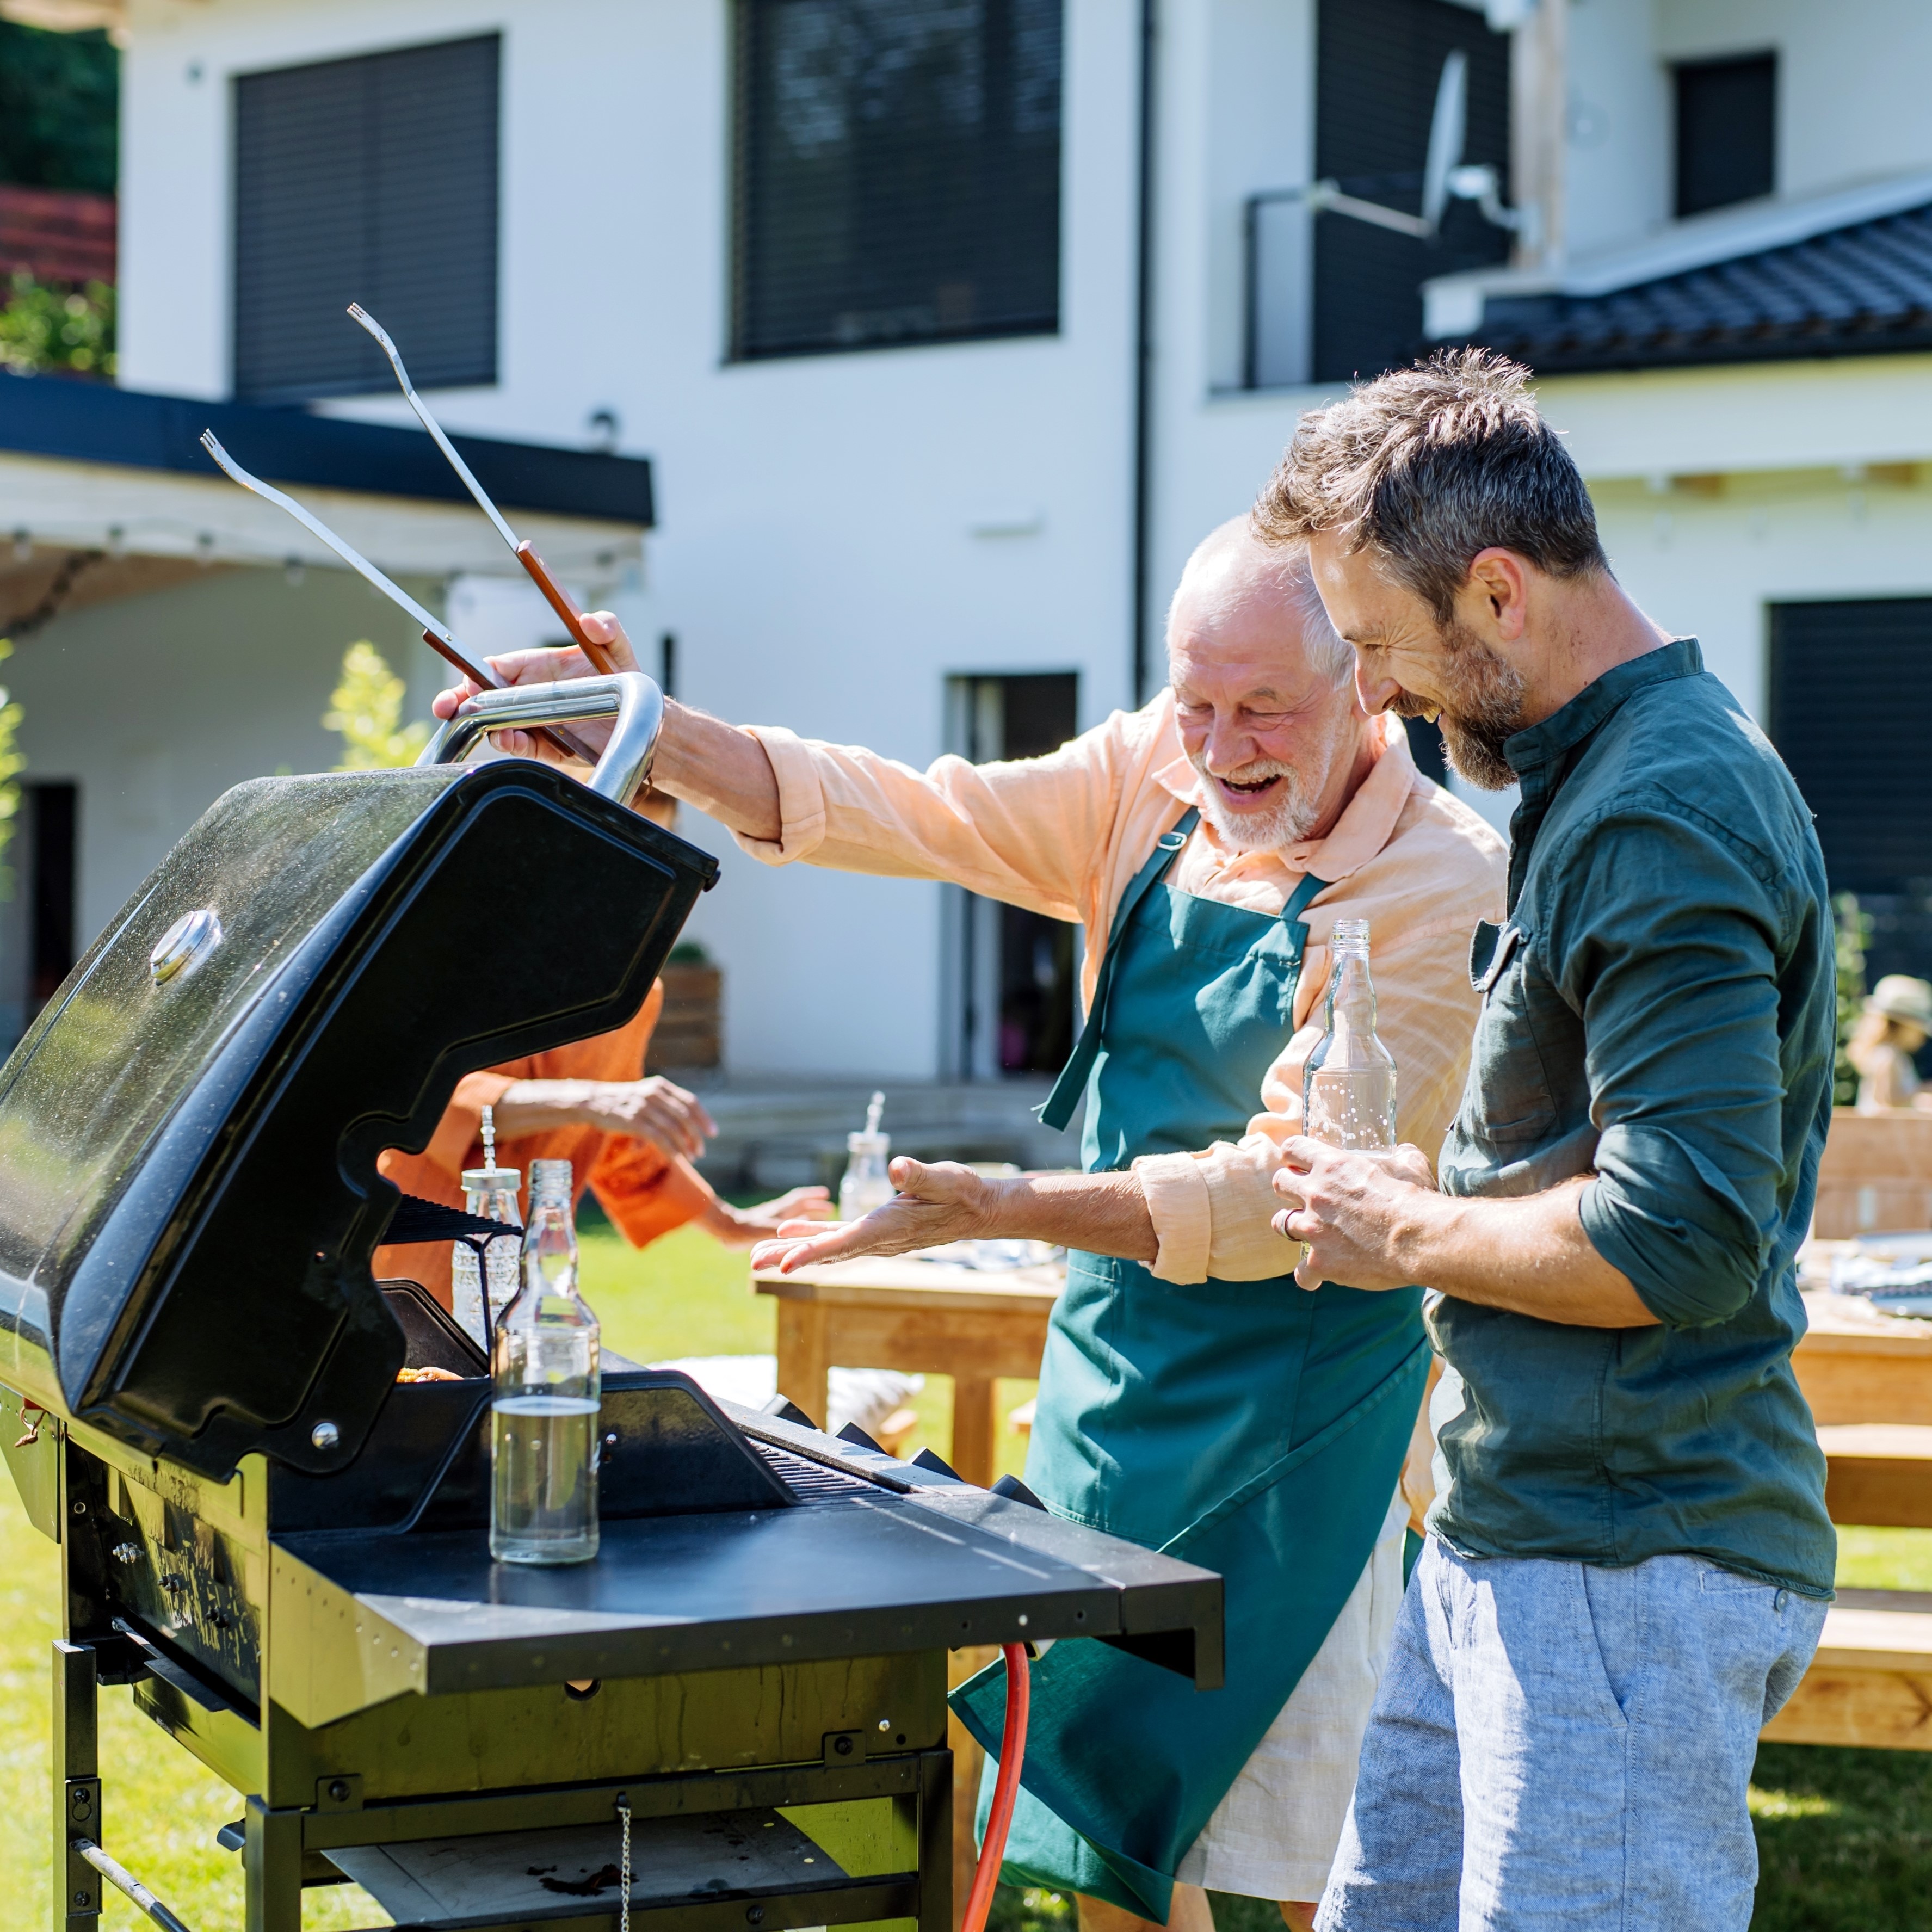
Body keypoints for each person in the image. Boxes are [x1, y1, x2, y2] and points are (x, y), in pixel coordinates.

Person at [434, 519, 1506, 1932]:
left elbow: (1281, 1196)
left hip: (1297, 1428)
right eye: (1192, 698)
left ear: (1368, 681)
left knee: (1268, 1863)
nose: (1219, 743)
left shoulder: (1438, 880)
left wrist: (1002, 1204)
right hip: (1112, 1382)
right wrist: (643, 728)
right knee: (1099, 1840)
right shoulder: (1150, 772)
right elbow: (910, 807)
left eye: (1261, 707)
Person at [1255, 349, 1835, 1931]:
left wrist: (1402, 1233)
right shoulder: (1598, 785)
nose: (1368, 690)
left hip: (1626, 1556)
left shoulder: (1658, 807)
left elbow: (1676, 1239)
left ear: (1495, 592)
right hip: (1519, 1531)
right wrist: (1416, 1191)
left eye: (1375, 643)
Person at [374, 789, 827, 1304]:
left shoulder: (635, 989)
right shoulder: (478, 946)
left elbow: (617, 1136)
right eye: (620, 843)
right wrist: (595, 1100)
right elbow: (429, 1098)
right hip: (413, 1258)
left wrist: (729, 1223)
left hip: (530, 1278)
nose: (638, 872)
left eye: (657, 851)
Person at [1846, 973, 1932, 1110]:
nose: (1922, 1036)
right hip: (1880, 1131)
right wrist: (1921, 1094)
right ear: (1902, 1026)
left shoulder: (1895, 1056)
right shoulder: (1888, 1056)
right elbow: (1887, 1102)